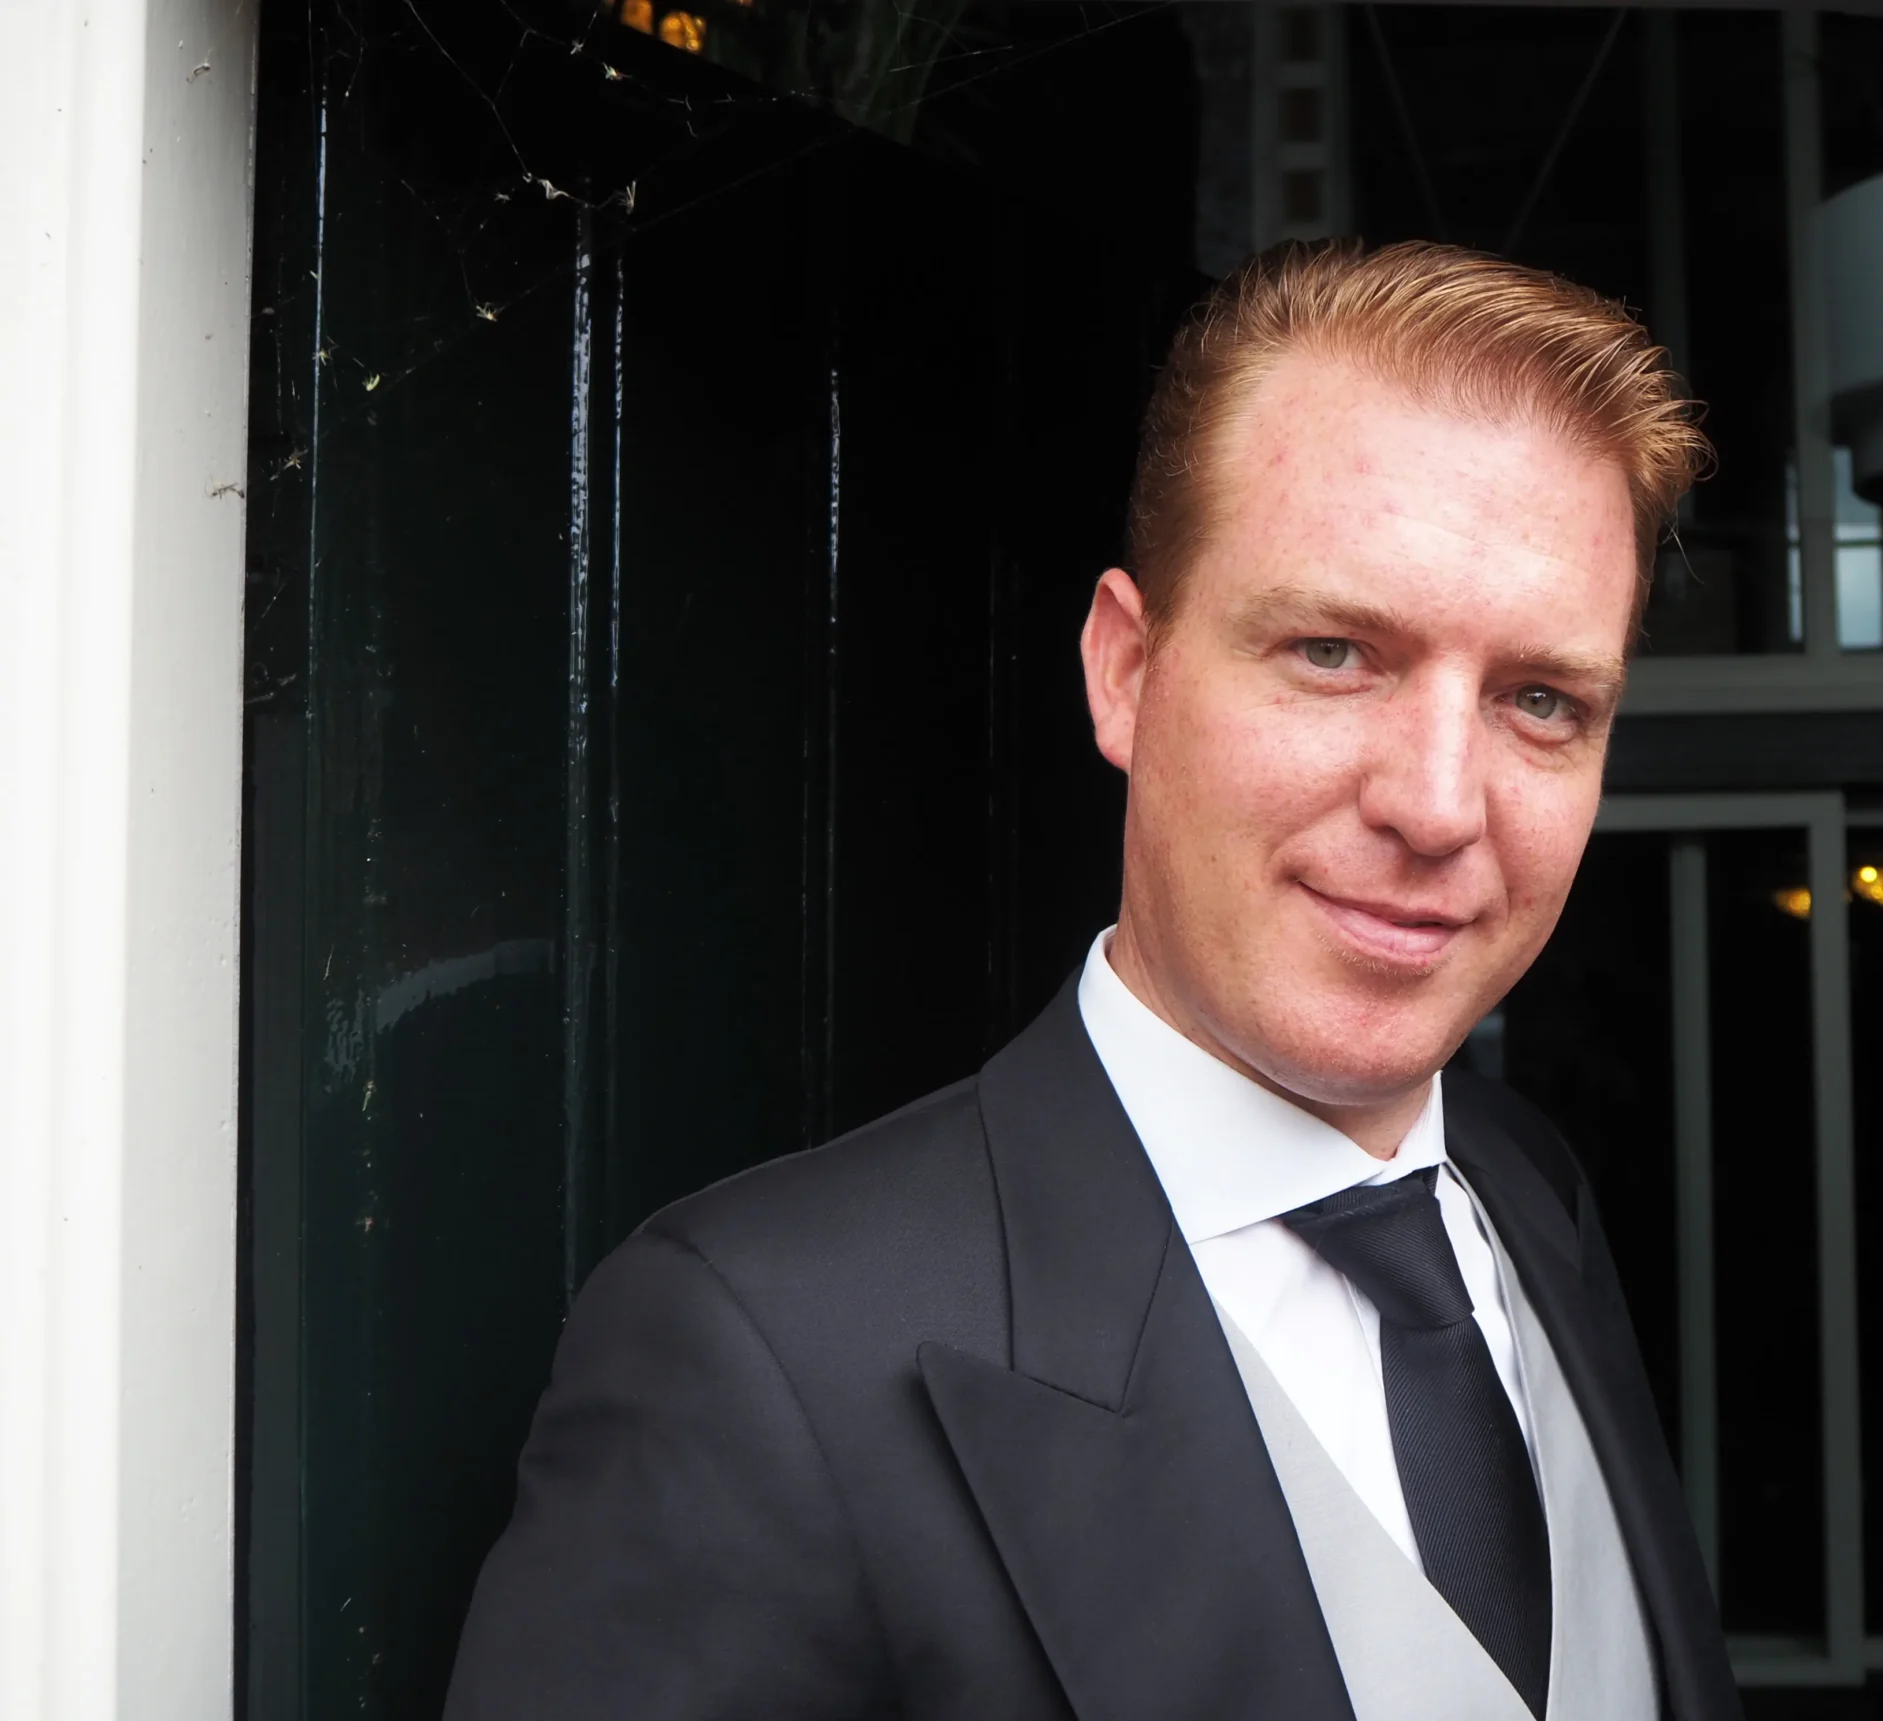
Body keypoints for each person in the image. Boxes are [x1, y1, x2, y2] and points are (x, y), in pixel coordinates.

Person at [444, 239, 1743, 1721]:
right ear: (1125, 672)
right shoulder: (759, 1356)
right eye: (1334, 652)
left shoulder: (1529, 1193)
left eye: (1542, 699)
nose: (1440, 806)